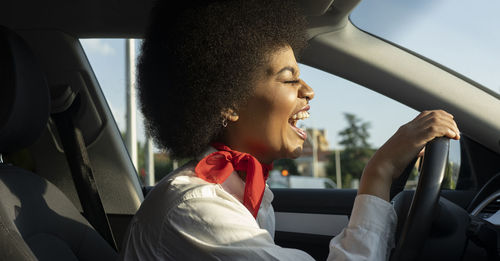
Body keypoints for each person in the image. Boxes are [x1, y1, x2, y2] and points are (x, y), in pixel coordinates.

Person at [119, 0, 460, 260]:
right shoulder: (195, 209)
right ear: (228, 102)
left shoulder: (241, 190)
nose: (308, 90)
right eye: (289, 78)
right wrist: (379, 172)